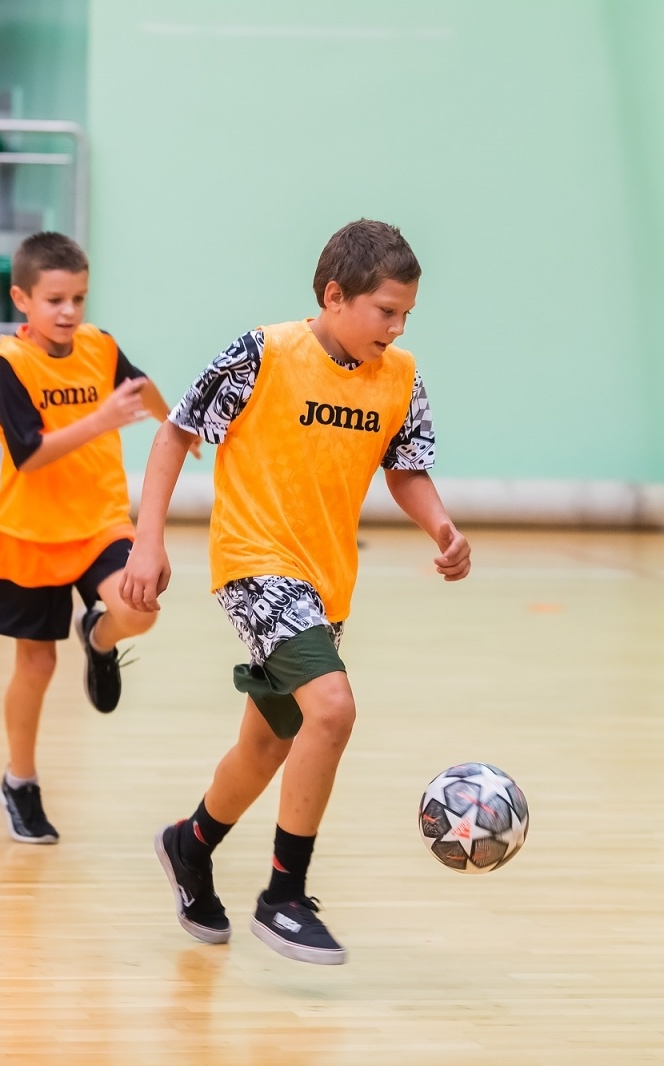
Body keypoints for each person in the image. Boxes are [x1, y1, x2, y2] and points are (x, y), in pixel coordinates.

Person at [122, 219, 471, 964]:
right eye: (386, 311)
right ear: (335, 296)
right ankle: (283, 896)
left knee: (266, 746)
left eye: (407, 314)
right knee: (333, 709)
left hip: (324, 583)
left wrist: (441, 526)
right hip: (255, 565)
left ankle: (190, 844)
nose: (397, 328)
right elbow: (176, 432)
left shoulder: (400, 376)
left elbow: (405, 468)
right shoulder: (262, 354)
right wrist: (147, 540)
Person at [0, 231, 195, 844]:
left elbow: (139, 386)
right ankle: (20, 782)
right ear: (22, 299)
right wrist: (100, 419)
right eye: (54, 300)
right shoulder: (10, 363)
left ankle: (99, 639)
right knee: (37, 664)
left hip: (100, 519)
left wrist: (176, 427)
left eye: (77, 297)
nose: (68, 311)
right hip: (32, 530)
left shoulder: (99, 345)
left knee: (139, 608)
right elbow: (29, 454)